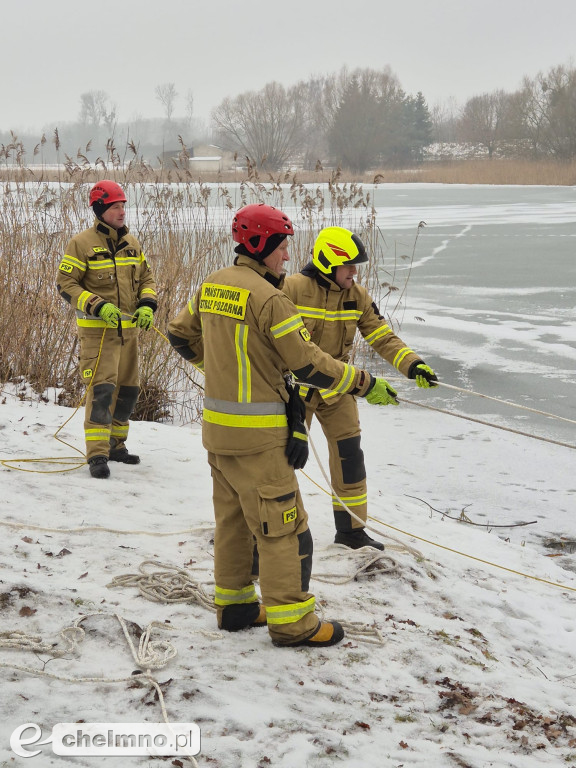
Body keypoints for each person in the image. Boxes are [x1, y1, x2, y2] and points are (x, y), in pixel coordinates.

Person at [167, 204, 398, 648]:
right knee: (284, 528)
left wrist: (217, 372)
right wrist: (364, 383)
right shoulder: (271, 299)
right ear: (261, 245)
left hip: (218, 433)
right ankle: (294, 624)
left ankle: (234, 608)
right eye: (282, 247)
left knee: (233, 521)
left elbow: (180, 334)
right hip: (260, 438)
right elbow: (308, 365)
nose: (288, 257)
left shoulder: (212, 285)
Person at [283, 226, 438, 551]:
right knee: (282, 462)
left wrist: (413, 364)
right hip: (296, 390)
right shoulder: (292, 288)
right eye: (348, 265)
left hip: (338, 389)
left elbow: (382, 337)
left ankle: (351, 531)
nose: (354, 272)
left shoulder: (358, 296)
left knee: (350, 457)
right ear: (327, 263)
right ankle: (268, 532)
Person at [56, 180, 158, 479]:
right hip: (98, 337)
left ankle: (116, 446)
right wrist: (97, 305)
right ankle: (97, 454)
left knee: (128, 391)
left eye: (124, 206)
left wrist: (147, 306)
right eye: (115, 207)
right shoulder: (81, 243)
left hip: (130, 337)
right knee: (102, 392)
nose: (122, 211)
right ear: (100, 209)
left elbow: (148, 280)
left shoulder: (133, 244)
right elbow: (66, 284)